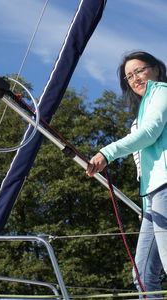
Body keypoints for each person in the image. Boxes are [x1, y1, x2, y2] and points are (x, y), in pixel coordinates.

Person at [86, 51, 167, 298]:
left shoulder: (162, 91)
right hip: (151, 196)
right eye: (129, 76)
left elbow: (150, 133)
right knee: (142, 274)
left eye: (139, 70)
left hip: (164, 186)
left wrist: (107, 152)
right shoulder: (142, 110)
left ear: (156, 69)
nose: (135, 78)